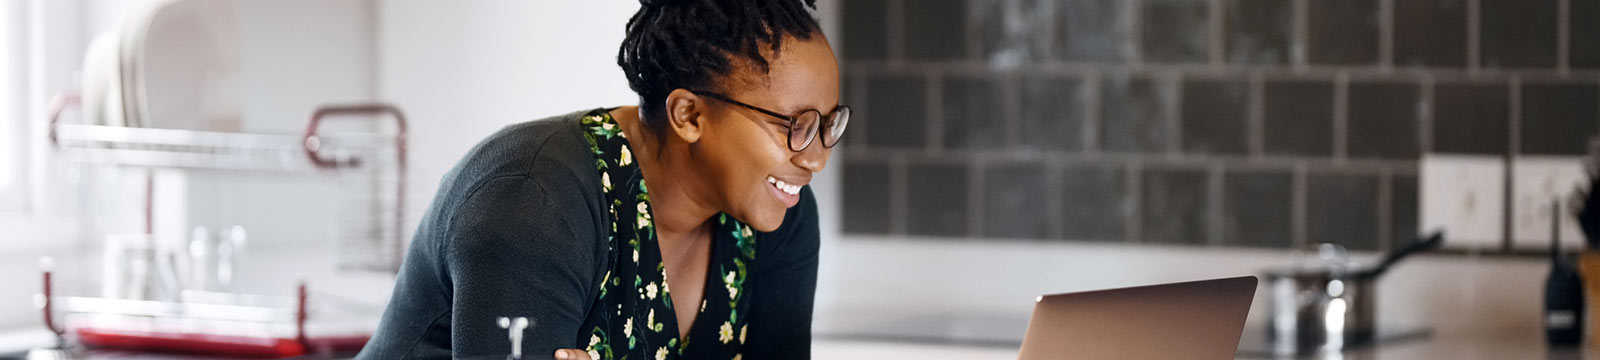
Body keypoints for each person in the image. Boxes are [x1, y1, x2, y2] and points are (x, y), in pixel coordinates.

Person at [356, 0, 846, 359]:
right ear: (689, 115)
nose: (817, 159)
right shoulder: (533, 201)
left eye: (828, 125)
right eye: (795, 127)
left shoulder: (781, 213)